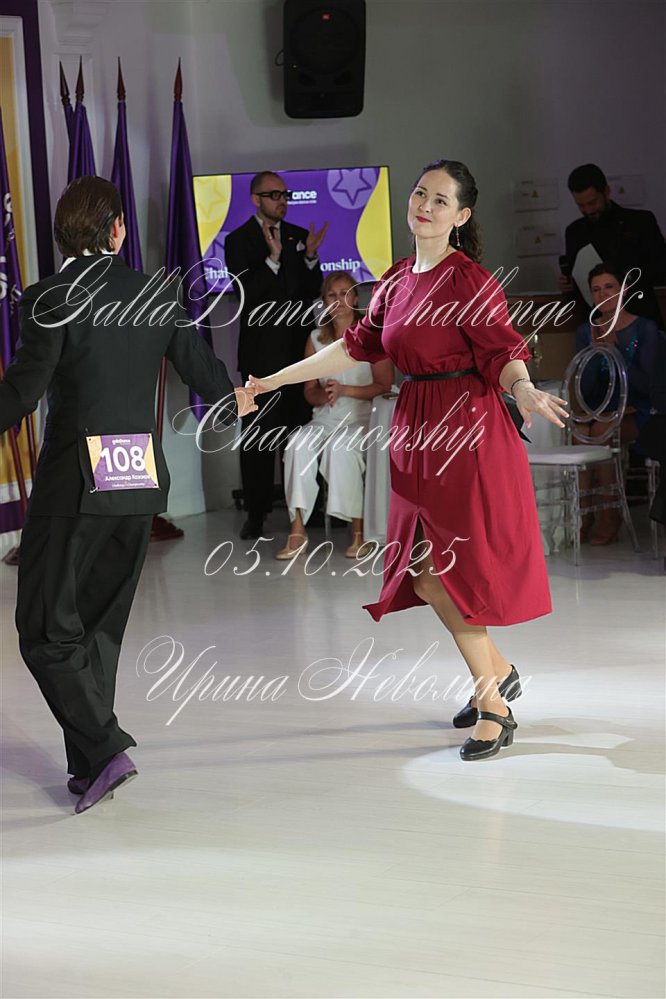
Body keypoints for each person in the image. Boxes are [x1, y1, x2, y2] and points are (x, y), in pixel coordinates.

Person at [249, 159, 568, 762]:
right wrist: (272, 380)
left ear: (461, 216)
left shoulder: (470, 280)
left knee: (446, 573)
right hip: (416, 428)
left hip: (465, 432)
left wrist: (523, 388)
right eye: (421, 193)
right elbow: (353, 347)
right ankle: (498, 672)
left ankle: (494, 703)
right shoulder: (396, 280)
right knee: (424, 572)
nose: (425, 205)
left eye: (440, 200)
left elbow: (502, 350)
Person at [0, 177, 256, 814]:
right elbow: (209, 379)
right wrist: (237, 399)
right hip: (139, 480)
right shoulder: (156, 293)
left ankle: (107, 747)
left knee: (44, 630)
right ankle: (91, 766)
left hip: (73, 486)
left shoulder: (50, 298)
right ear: (117, 230)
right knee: (97, 629)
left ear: (64, 235)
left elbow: (21, 395)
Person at [224, 171, 327, 540]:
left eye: (285, 194)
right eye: (274, 195)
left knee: (301, 432)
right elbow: (246, 293)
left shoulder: (298, 235)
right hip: (261, 357)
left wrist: (310, 257)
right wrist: (272, 259)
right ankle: (256, 513)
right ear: (256, 199)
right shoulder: (237, 241)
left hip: (299, 354)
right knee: (257, 437)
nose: (282, 200)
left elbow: (311, 291)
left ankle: (308, 510)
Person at [277, 271, 394, 560]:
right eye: (332, 295)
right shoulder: (316, 338)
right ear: (325, 302)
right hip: (326, 416)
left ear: (355, 298)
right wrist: (326, 395)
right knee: (297, 444)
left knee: (341, 448)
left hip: (364, 417)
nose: (339, 300)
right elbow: (309, 391)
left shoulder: (373, 336)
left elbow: (384, 385)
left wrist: (346, 390)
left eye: (344, 293)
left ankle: (359, 532)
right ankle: (297, 530)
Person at [574, 262, 662, 545]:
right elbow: (585, 389)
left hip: (640, 409)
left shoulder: (644, 328)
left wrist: (616, 351)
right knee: (581, 434)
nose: (603, 294)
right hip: (602, 409)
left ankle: (609, 515)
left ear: (623, 290)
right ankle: (585, 515)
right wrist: (595, 354)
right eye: (596, 290)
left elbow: (648, 385)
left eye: (609, 287)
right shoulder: (586, 331)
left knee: (600, 432)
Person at [559, 163, 666, 326]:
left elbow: (661, 267)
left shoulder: (640, 222)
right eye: (581, 205)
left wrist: (628, 276)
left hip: (640, 318)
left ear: (606, 191)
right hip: (599, 322)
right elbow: (579, 284)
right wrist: (569, 285)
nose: (588, 210)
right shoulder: (574, 232)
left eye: (592, 202)